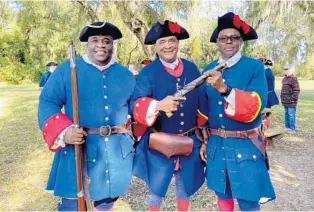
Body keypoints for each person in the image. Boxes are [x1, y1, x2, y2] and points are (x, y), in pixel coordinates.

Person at [37, 21, 135, 211]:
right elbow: (47, 101)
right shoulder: (67, 70)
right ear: (87, 44)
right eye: (95, 40)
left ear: (112, 45)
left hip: (116, 155)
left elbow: (137, 108)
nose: (100, 45)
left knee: (106, 203)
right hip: (78, 151)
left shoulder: (125, 75)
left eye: (106, 41)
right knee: (72, 205)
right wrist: (64, 132)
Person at [200, 12, 276, 211]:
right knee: (223, 198)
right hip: (216, 145)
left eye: (234, 37)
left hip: (245, 146)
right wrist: (202, 139)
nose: (229, 42)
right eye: (224, 38)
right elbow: (202, 108)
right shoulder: (208, 68)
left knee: (248, 202)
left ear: (241, 41)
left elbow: (256, 105)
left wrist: (224, 89)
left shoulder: (255, 67)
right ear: (217, 42)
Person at [131, 20, 208, 211]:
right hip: (159, 143)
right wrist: (157, 105)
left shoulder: (192, 69)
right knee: (155, 193)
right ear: (156, 47)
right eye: (162, 42)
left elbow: (203, 104)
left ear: (178, 43)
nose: (167, 45)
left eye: (171, 40)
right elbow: (136, 103)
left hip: (189, 142)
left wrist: (205, 137)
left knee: (184, 189)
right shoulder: (148, 72)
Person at [258, 57, 279, 129]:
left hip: (267, 95)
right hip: (268, 94)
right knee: (266, 112)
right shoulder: (268, 71)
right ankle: (265, 127)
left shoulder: (265, 73)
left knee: (265, 113)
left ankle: (264, 128)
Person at [280, 63, 300, 134]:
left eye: (287, 69)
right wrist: (282, 98)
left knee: (291, 115)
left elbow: (296, 90)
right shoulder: (284, 79)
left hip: (291, 102)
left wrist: (293, 99)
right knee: (286, 114)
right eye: (284, 69)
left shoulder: (293, 79)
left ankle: (292, 129)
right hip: (285, 101)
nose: (285, 70)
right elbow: (283, 90)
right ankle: (287, 127)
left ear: (291, 70)